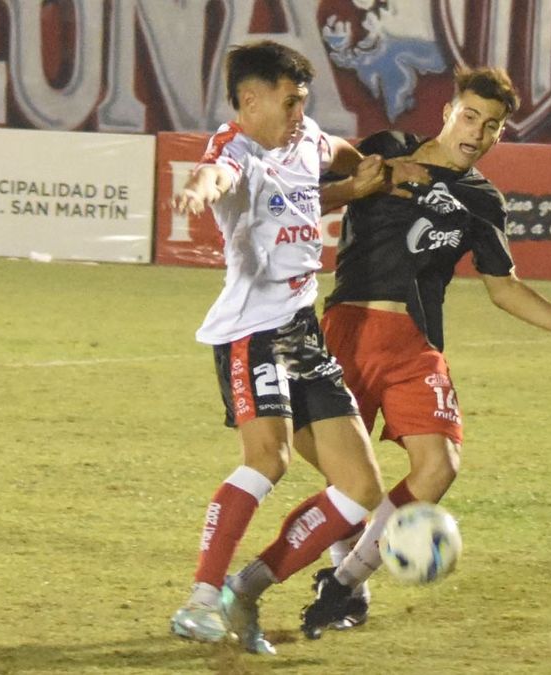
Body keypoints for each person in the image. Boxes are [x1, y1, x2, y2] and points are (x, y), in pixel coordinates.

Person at [256, 65, 551, 637]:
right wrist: (350, 182)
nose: (476, 132)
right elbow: (311, 194)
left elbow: (503, 287)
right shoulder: (386, 150)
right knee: (348, 482)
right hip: (345, 331)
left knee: (439, 466)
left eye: (491, 125)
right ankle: (325, 574)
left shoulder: (482, 200)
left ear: (500, 134)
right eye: (469, 116)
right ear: (447, 113)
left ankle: (342, 585)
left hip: (416, 343)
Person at [168, 40, 407, 656]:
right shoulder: (236, 149)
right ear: (250, 101)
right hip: (251, 333)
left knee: (359, 490)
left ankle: (242, 591)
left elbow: (332, 161)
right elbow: (215, 173)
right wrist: (199, 188)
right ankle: (199, 597)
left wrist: (364, 176)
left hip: (303, 331)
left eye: (305, 101)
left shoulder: (307, 143)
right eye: (290, 101)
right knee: (268, 460)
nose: (301, 112)